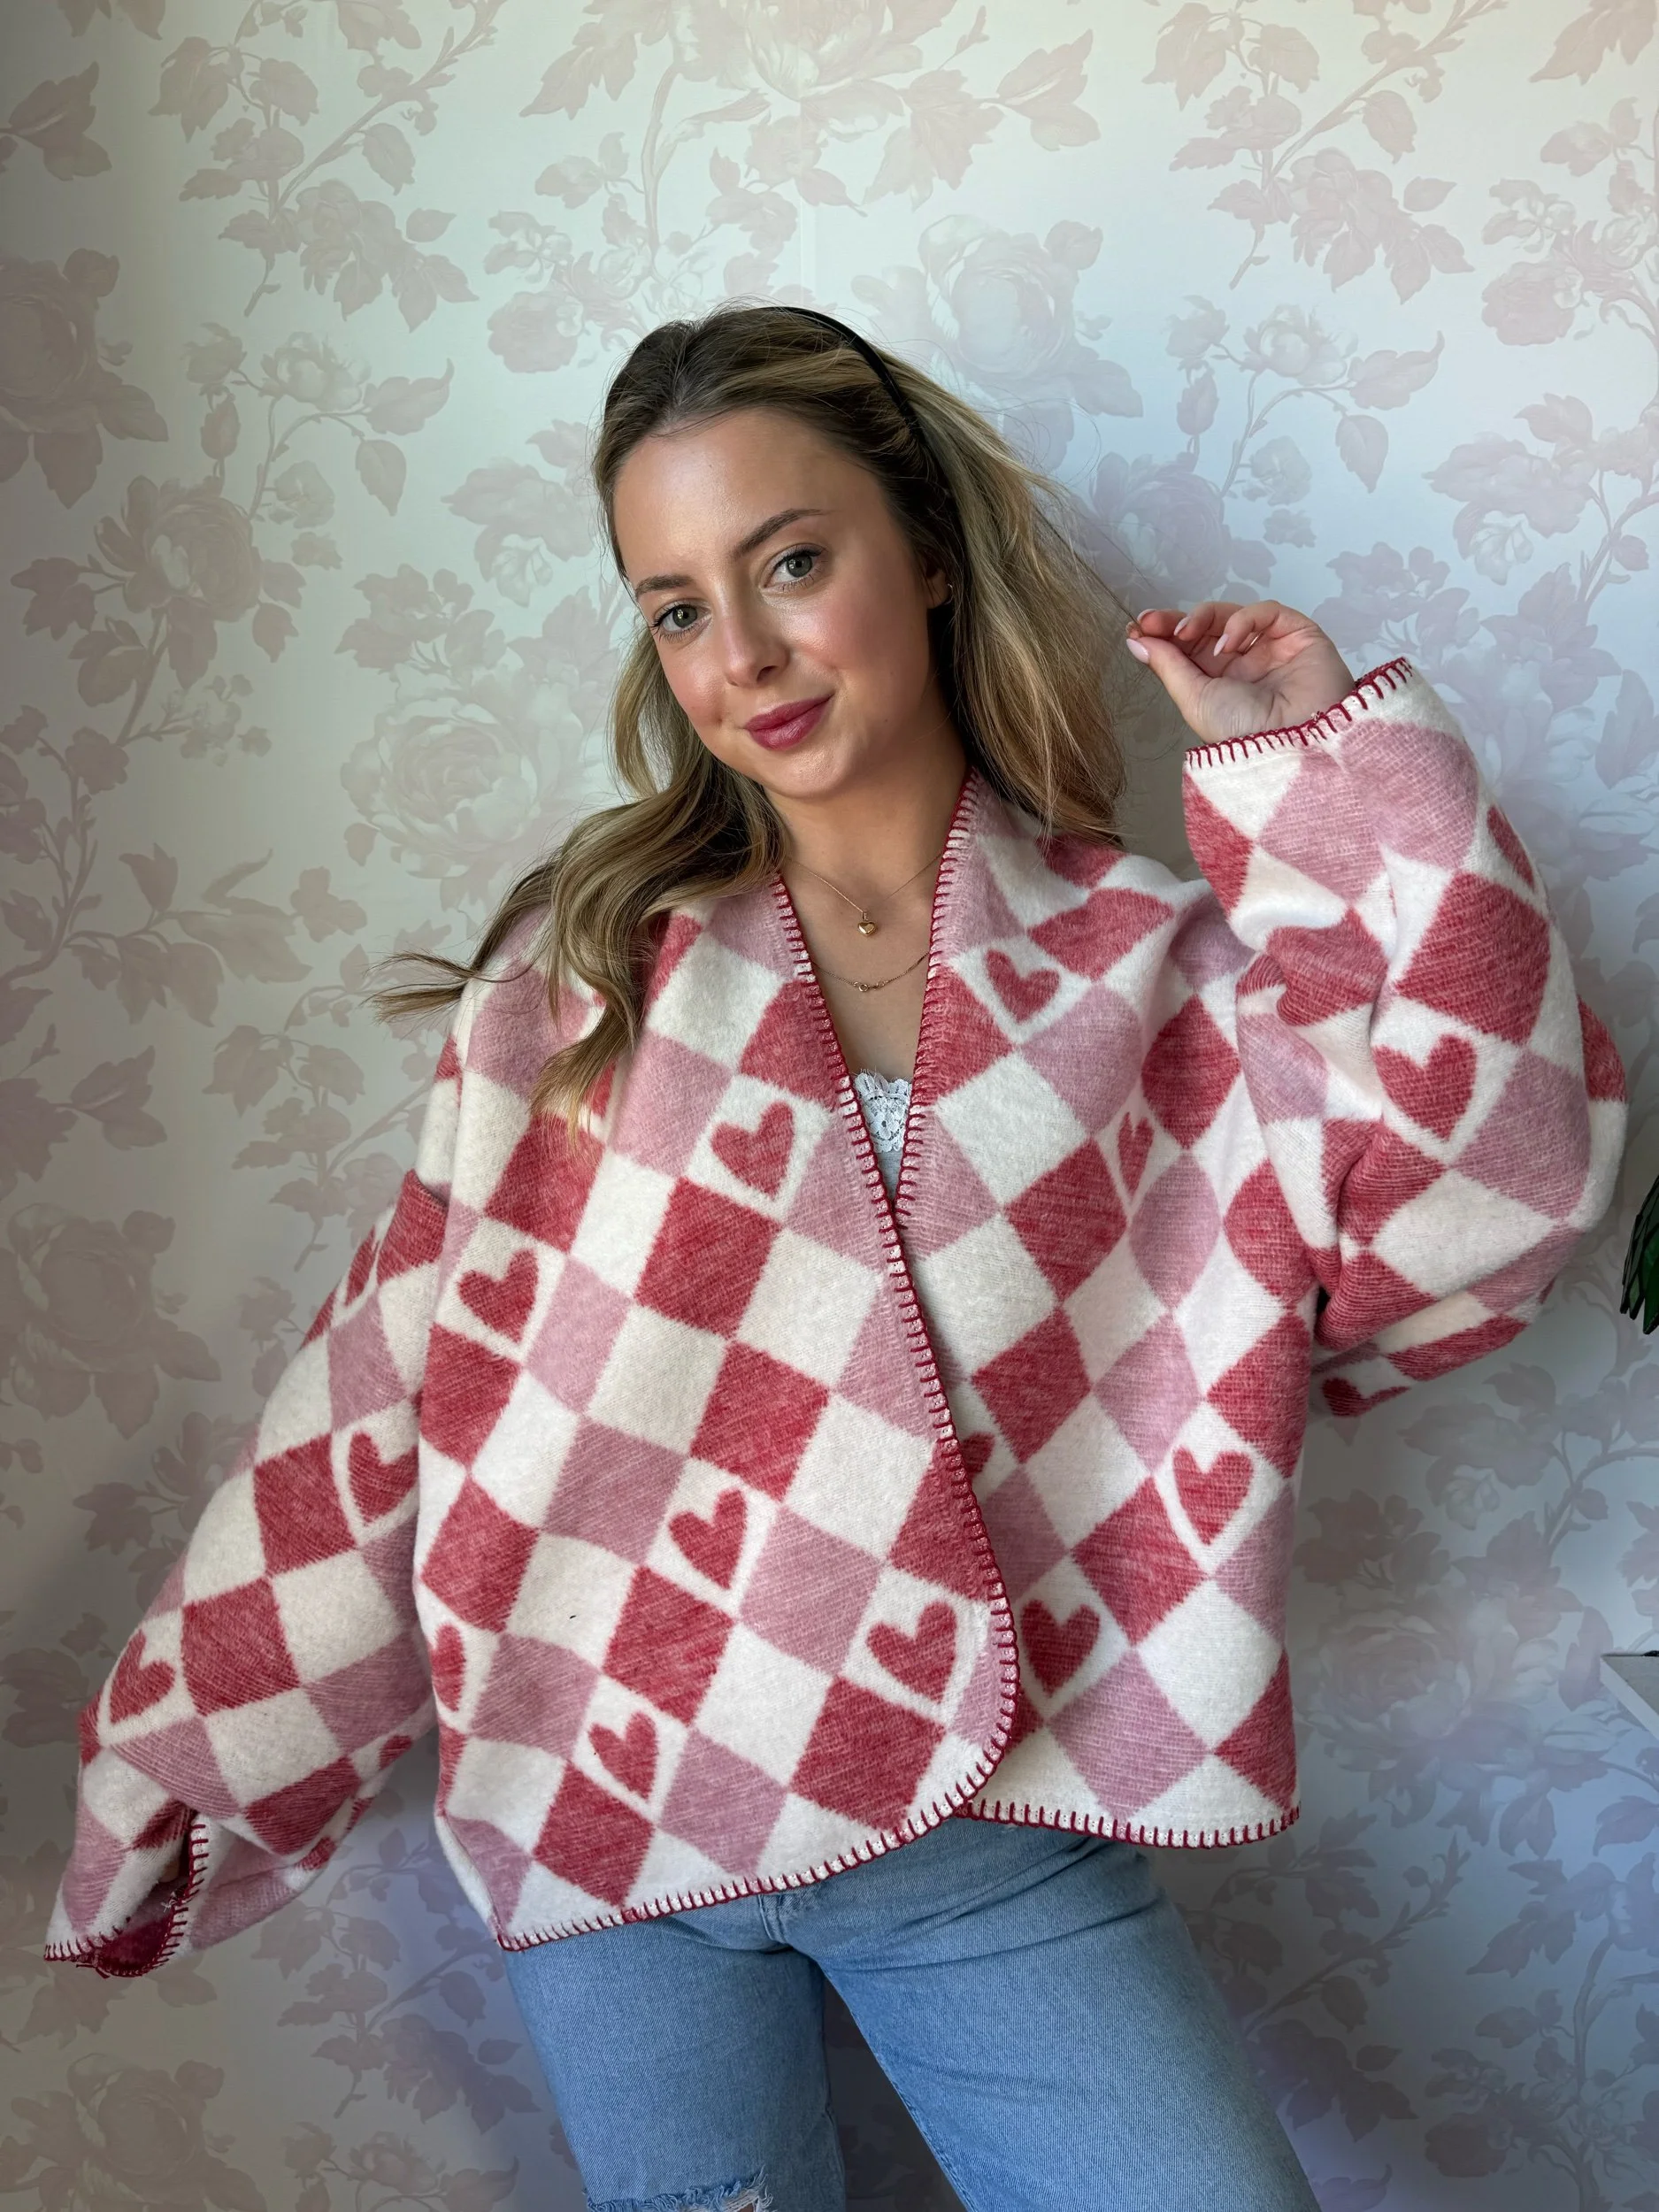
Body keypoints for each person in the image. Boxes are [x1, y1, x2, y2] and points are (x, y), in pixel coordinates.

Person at [43, 303, 1625, 2212]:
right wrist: (195, 1748)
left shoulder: (1157, 978)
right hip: (602, 1815)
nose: (742, 654)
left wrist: (1315, 778)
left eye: (790, 561)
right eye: (677, 608)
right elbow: (395, 1372)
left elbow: (1494, 1186)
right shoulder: (588, 970)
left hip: (981, 1828)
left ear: (927, 553)